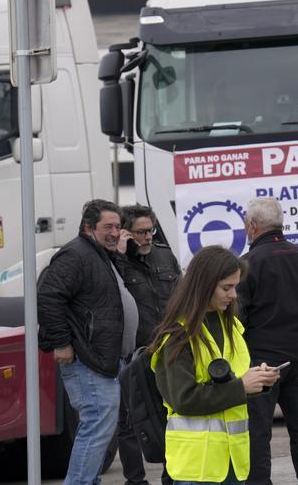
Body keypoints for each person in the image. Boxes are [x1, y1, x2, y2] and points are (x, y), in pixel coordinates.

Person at [150, 246, 281, 485]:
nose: (233, 295)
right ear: (204, 285)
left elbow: (236, 380)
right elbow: (184, 399)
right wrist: (241, 387)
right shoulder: (178, 336)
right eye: (226, 288)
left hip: (232, 462)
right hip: (197, 467)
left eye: (235, 287)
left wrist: (259, 380)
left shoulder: (230, 327)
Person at [38, 199, 140, 485]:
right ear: (88, 227)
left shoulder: (98, 254)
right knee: (97, 427)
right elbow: (48, 297)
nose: (114, 232)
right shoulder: (75, 255)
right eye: (108, 226)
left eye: (118, 227)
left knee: (101, 429)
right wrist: (61, 343)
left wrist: (118, 255)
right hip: (87, 359)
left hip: (102, 358)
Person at [238, 198, 298, 485]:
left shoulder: (247, 265)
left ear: (252, 226)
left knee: (257, 435)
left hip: (260, 362)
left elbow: (238, 318)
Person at [116, 204, 182, 485]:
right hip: (133, 353)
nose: (147, 237)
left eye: (150, 231)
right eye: (141, 232)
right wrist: (118, 255)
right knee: (129, 420)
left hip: (166, 349)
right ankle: (135, 480)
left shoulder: (164, 256)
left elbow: (181, 296)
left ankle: (172, 474)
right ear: (126, 234)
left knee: (169, 415)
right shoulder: (115, 261)